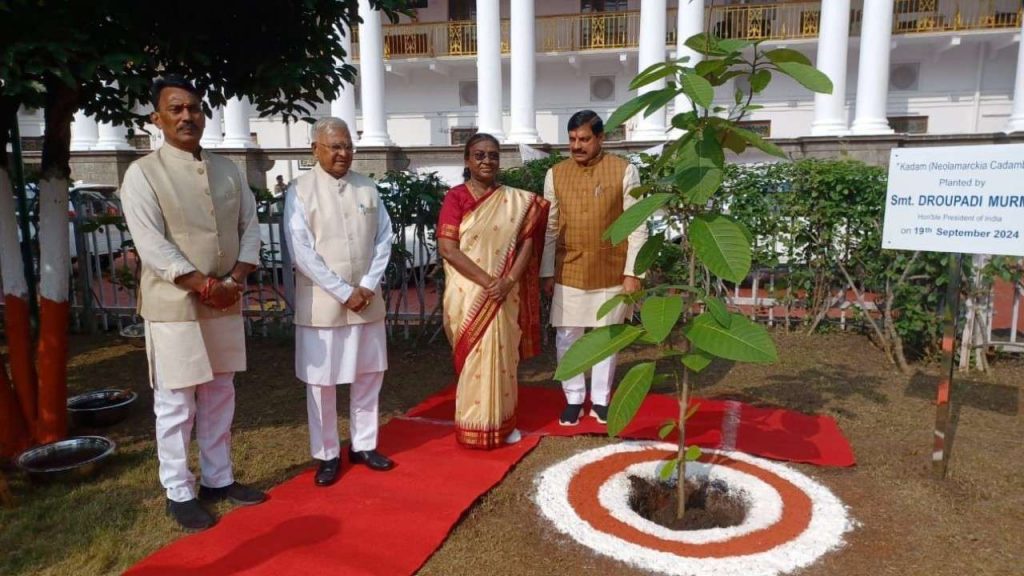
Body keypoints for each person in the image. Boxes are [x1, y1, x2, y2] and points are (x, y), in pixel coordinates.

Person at [119, 75, 266, 532]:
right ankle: (178, 489)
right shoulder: (143, 173)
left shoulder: (227, 170)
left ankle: (218, 479)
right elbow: (152, 244)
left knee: (220, 392)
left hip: (225, 298)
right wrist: (205, 285)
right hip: (175, 305)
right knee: (177, 400)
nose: (188, 116)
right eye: (177, 109)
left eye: (195, 108)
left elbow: (251, 226)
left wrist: (236, 277)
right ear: (156, 119)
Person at [284, 117, 395, 487]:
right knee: (322, 383)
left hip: (367, 302)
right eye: (334, 146)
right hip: (323, 306)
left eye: (347, 145)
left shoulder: (368, 189)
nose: (343, 153)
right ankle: (327, 453)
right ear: (315, 148)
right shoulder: (300, 190)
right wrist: (344, 291)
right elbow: (303, 253)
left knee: (368, 376)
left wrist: (365, 285)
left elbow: (384, 240)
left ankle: (364, 445)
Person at [437, 133, 549, 449]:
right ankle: (473, 425)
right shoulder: (455, 198)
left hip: (504, 291)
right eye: (479, 155)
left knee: (503, 357)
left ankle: (503, 422)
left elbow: (526, 242)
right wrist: (490, 283)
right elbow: (448, 248)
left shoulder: (516, 200)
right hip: (470, 291)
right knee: (474, 358)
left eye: (493, 155)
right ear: (467, 160)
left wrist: (509, 281)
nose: (487, 161)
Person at [541, 110, 648, 427]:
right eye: (572, 139)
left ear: (601, 138)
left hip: (612, 268)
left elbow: (637, 226)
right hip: (569, 267)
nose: (577, 145)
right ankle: (573, 397)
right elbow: (550, 226)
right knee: (567, 336)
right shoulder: (555, 173)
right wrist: (546, 271)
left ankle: (600, 399)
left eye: (584, 139)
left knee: (606, 336)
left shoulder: (624, 170)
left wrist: (633, 273)